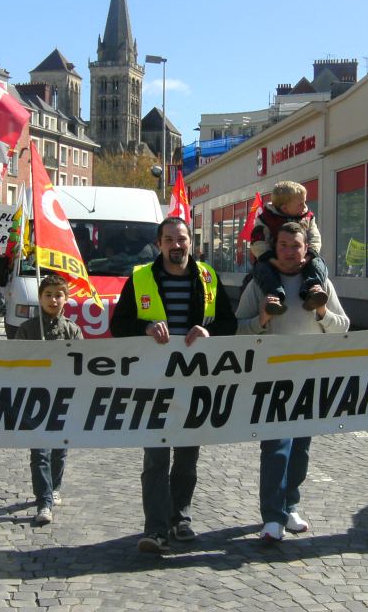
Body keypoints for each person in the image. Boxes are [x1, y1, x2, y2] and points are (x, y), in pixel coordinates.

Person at [110, 216, 237, 554]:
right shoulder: (140, 279)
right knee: (155, 459)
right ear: (159, 243)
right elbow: (118, 326)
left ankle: (180, 517)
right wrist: (145, 331)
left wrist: (211, 333)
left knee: (186, 458)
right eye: (169, 240)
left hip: (195, 384)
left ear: (190, 242)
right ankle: (155, 529)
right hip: (152, 386)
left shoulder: (208, 277)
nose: (176, 245)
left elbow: (229, 323)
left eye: (182, 239)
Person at [236, 221, 350, 542]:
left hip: (310, 380)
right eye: (283, 245)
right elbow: (237, 331)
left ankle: (291, 505)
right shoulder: (260, 284)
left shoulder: (319, 281)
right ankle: (272, 517)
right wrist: (260, 320)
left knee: (301, 448)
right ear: (275, 247)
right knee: (276, 448)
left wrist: (323, 313)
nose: (289, 252)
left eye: (295, 246)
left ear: (305, 249)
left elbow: (343, 326)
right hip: (271, 382)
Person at [14, 274, 83, 525]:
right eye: (48, 295)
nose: (53, 300)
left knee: (59, 450)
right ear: (40, 298)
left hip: (63, 399)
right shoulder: (28, 329)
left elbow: (82, 364)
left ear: (66, 298)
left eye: (58, 295)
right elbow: (16, 364)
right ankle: (44, 501)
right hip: (35, 400)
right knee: (40, 451)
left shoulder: (72, 330)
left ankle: (55, 486)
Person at [249, 181, 329, 316]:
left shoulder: (308, 217)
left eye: (305, 202)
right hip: (272, 259)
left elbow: (315, 238)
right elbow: (258, 243)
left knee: (318, 263)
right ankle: (274, 296)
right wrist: (275, 262)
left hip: (304, 259)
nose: (305, 206)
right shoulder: (265, 219)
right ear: (285, 208)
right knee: (262, 268)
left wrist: (308, 257)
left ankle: (313, 290)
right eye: (300, 203)